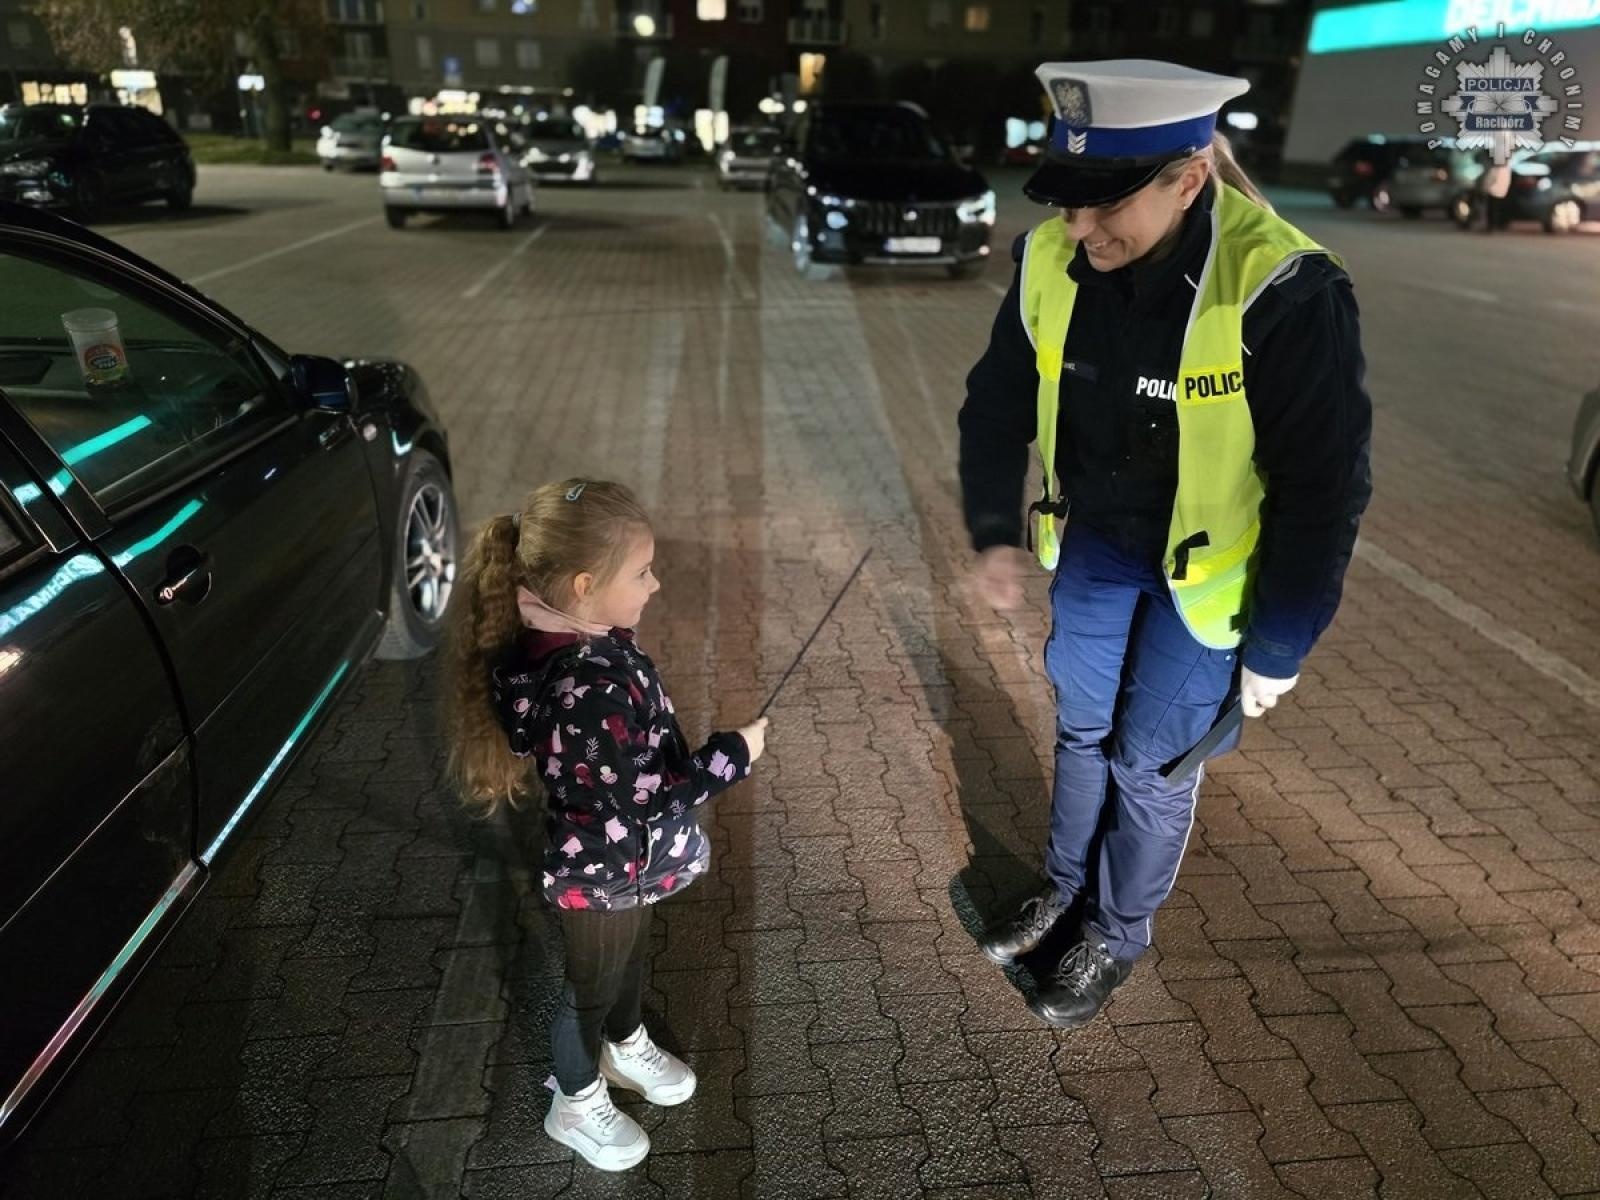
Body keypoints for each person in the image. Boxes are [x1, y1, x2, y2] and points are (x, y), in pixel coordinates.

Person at [958, 61, 1372, 1029]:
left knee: (1149, 764)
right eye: (1067, 202)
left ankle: (1114, 931)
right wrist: (992, 531)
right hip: (1097, 548)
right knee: (1081, 731)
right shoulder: (1050, 260)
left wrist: (1279, 646)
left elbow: (1324, 486)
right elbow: (995, 404)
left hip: (1205, 582)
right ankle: (1064, 888)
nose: (1079, 229)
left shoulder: (1283, 288)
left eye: (1106, 204)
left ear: (1188, 179)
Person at [446, 478, 769, 1172]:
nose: (656, 584)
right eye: (642, 572)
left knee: (627, 960)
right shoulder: (583, 687)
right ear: (585, 586)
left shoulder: (591, 637)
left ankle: (625, 1047)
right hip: (599, 870)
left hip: (629, 863)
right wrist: (731, 756)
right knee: (587, 991)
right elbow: (643, 801)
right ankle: (575, 1099)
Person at [1479, 157, 1512, 233]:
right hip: (1502, 192)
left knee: (1491, 210)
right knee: (1498, 210)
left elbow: (1489, 180)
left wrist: (1485, 188)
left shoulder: (1495, 169)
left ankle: (1490, 227)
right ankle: (1497, 225)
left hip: (1493, 192)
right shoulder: (1506, 170)